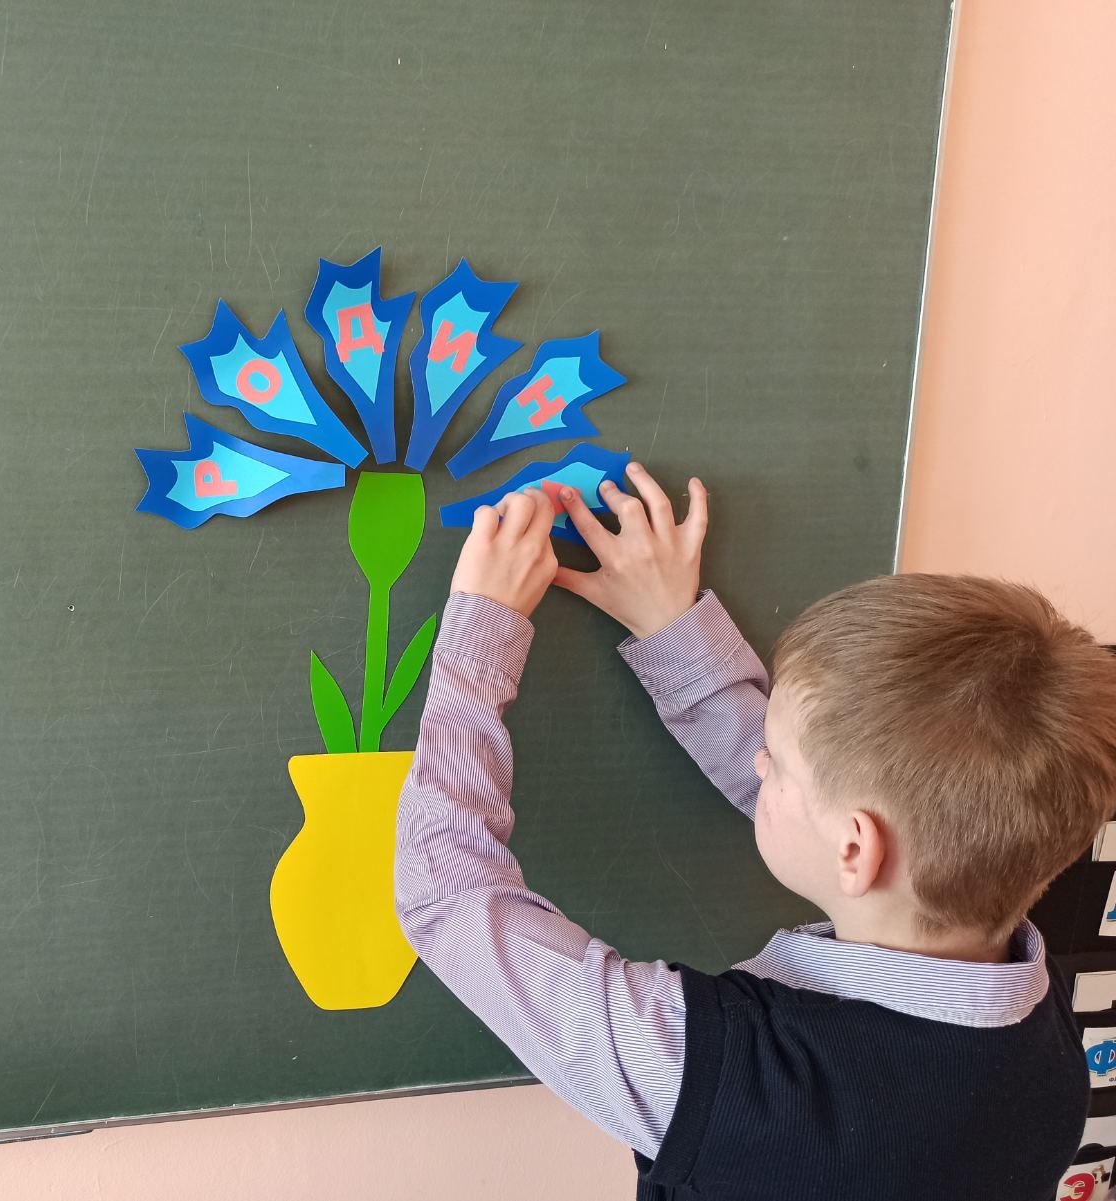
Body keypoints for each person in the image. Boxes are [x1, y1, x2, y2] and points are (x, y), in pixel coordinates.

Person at [395, 462, 1116, 1199]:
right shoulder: (1044, 1039)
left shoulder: (719, 1076)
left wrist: (483, 629)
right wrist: (672, 628)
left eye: (776, 760)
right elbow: (833, 812)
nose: (759, 761)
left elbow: (446, 896)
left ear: (856, 850)